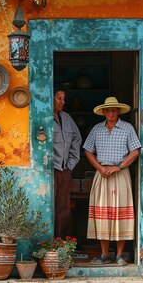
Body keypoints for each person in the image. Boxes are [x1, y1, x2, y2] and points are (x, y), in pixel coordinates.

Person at [83, 97, 141, 266]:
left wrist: (120, 167)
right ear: (103, 112)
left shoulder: (127, 128)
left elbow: (135, 151)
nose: (110, 113)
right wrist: (100, 169)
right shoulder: (97, 129)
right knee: (103, 213)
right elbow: (87, 150)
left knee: (120, 212)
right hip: (102, 174)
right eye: (107, 110)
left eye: (114, 110)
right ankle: (104, 255)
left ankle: (120, 255)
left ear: (118, 112)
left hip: (120, 174)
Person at [53, 89, 82, 239]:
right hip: (49, 170)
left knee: (63, 209)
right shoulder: (43, 117)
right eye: (59, 98)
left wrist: (70, 164)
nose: (63, 102)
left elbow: (77, 140)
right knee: (48, 207)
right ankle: (46, 243)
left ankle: (59, 241)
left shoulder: (67, 118)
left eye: (64, 98)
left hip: (64, 170)